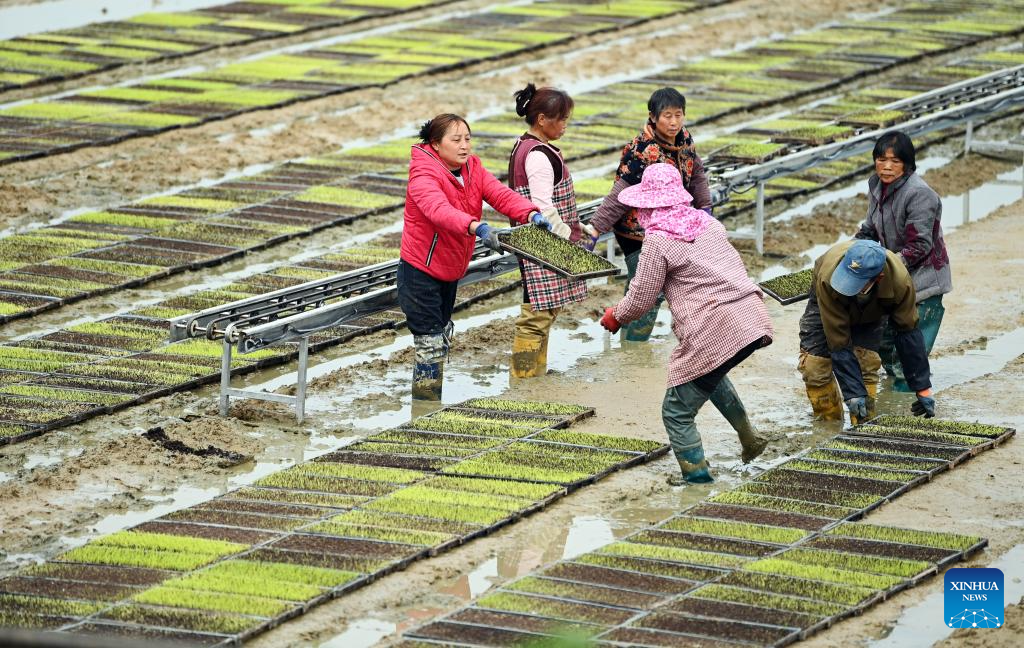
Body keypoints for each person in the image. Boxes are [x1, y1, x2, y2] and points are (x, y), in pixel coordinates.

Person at [599, 164, 772, 485]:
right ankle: (750, 438)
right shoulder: (709, 224)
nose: (638, 213)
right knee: (708, 372)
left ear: (648, 205)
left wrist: (616, 316)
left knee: (676, 412)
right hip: (750, 317)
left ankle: (697, 481)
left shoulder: (658, 241)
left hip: (713, 328)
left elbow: (641, 298)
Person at [398, 113, 550, 400]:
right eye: (456, 140)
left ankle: (428, 400)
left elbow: (499, 194)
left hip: (450, 269)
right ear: (436, 144)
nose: (464, 145)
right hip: (420, 271)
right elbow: (437, 210)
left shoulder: (472, 168)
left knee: (440, 338)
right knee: (430, 344)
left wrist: (530, 213)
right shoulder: (423, 174)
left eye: (467, 138)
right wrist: (476, 226)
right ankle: (425, 406)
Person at [587, 87, 712, 342]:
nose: (674, 122)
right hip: (635, 230)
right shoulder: (642, 150)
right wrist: (596, 228)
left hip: (667, 224)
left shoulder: (685, 140)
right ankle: (635, 346)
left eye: (679, 115)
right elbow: (619, 190)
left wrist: (705, 208)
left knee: (638, 283)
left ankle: (623, 335)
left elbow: (697, 173)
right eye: (667, 115)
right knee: (652, 288)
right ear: (653, 117)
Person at [798, 239, 936, 425]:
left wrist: (922, 386)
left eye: (855, 283)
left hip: (874, 307)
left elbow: (907, 333)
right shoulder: (829, 279)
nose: (849, 287)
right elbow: (838, 340)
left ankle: (863, 423)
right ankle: (829, 424)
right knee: (814, 366)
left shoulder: (900, 283)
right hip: (830, 297)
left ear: (878, 278)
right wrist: (852, 393)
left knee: (866, 361)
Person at [855, 131, 951, 392]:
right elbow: (870, 229)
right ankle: (896, 394)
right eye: (881, 159)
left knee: (910, 358)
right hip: (893, 277)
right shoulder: (877, 186)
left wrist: (883, 267)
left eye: (895, 161)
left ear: (907, 164)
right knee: (886, 346)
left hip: (922, 282)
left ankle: (908, 401)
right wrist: (853, 253)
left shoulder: (920, 194)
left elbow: (919, 245)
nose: (886, 166)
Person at [506, 83, 588, 378]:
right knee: (536, 315)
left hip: (538, 241)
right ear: (542, 119)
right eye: (561, 118)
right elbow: (541, 204)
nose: (565, 124)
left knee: (543, 309)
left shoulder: (526, 146)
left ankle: (535, 375)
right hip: (543, 243)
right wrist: (566, 236)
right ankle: (523, 378)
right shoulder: (539, 156)